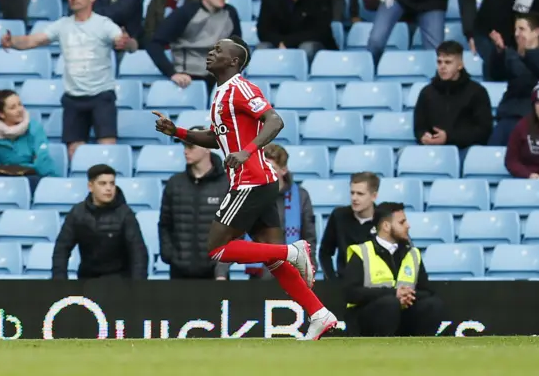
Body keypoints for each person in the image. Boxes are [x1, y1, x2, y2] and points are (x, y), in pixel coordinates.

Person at [152, 35, 337, 340]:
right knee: (273, 260)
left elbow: (275, 121)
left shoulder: (241, 87)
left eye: (217, 51)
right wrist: (179, 132)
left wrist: (247, 151)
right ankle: (319, 314)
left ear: (233, 61)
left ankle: (294, 250)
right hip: (259, 182)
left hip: (250, 181)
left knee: (216, 248)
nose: (210, 54)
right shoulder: (221, 92)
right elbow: (218, 138)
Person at [1, 0, 135, 159]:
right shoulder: (62, 25)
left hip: (102, 97)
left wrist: (126, 43)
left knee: (107, 150)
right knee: (74, 154)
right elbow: (33, 41)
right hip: (73, 98)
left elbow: (129, 44)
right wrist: (12, 42)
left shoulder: (104, 24)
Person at [217, 143, 318, 280]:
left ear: (283, 170)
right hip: (258, 279)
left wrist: (309, 270)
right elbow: (233, 237)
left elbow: (309, 238)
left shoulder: (300, 197)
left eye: (272, 168)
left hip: (291, 275)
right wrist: (221, 272)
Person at [344, 202, 442, 337]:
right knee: (390, 303)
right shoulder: (362, 252)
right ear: (386, 226)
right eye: (402, 222)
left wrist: (407, 296)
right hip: (368, 317)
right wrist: (393, 294)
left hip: (404, 313)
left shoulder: (412, 253)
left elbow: (427, 291)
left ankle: (422, 348)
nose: (408, 226)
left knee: (433, 304)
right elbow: (351, 293)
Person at [146, 0, 241, 92]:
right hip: (188, 78)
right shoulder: (186, 13)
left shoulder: (230, 13)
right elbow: (154, 44)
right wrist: (172, 73)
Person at [367, 0, 477, 65]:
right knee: (376, 41)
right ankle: (371, 73)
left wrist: (471, 32)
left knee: (436, 55)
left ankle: (435, 84)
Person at [52, 164, 149, 280]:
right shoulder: (77, 213)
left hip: (120, 281)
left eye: (112, 183)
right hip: (87, 280)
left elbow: (138, 253)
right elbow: (61, 249)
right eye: (103, 183)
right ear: (90, 186)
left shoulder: (125, 214)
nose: (109, 188)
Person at [159, 125, 229, 279]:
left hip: (215, 274)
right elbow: (165, 224)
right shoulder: (174, 183)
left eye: (190, 146)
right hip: (179, 272)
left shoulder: (227, 184)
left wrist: (222, 267)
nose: (185, 150)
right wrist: (170, 256)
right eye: (184, 145)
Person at [413, 41, 493, 161]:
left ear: (460, 65)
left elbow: (483, 130)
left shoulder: (477, 92)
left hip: (465, 151)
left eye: (448, 62)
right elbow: (419, 126)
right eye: (439, 62)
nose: (442, 67)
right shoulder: (427, 92)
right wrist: (423, 136)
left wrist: (448, 137)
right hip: (432, 151)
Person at [256, 0, 338, 63]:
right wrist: (279, 43)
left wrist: (287, 42)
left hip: (315, 46)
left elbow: (321, 31)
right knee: (262, 49)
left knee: (306, 48)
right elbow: (263, 31)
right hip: (280, 44)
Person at [0, 90, 58, 193]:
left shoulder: (35, 128)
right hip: (4, 181)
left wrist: (13, 169)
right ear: (1, 113)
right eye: (13, 107)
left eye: (20, 105)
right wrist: (18, 169)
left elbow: (41, 162)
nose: (20, 110)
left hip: (38, 177)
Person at [488, 12, 539, 146]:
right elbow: (495, 75)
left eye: (522, 29)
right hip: (508, 115)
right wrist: (499, 52)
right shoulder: (511, 55)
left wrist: (526, 55)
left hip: (534, 119)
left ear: (536, 32)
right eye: (515, 29)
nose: (516, 34)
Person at [318, 172, 378, 280]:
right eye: (352, 193)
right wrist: (332, 280)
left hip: (377, 286)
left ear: (373, 196)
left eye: (360, 194)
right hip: (344, 284)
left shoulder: (385, 219)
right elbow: (325, 253)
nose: (354, 198)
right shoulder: (339, 216)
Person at [505, 77, 539, 179]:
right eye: (538, 102)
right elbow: (511, 160)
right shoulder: (522, 126)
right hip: (526, 181)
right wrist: (528, 175)